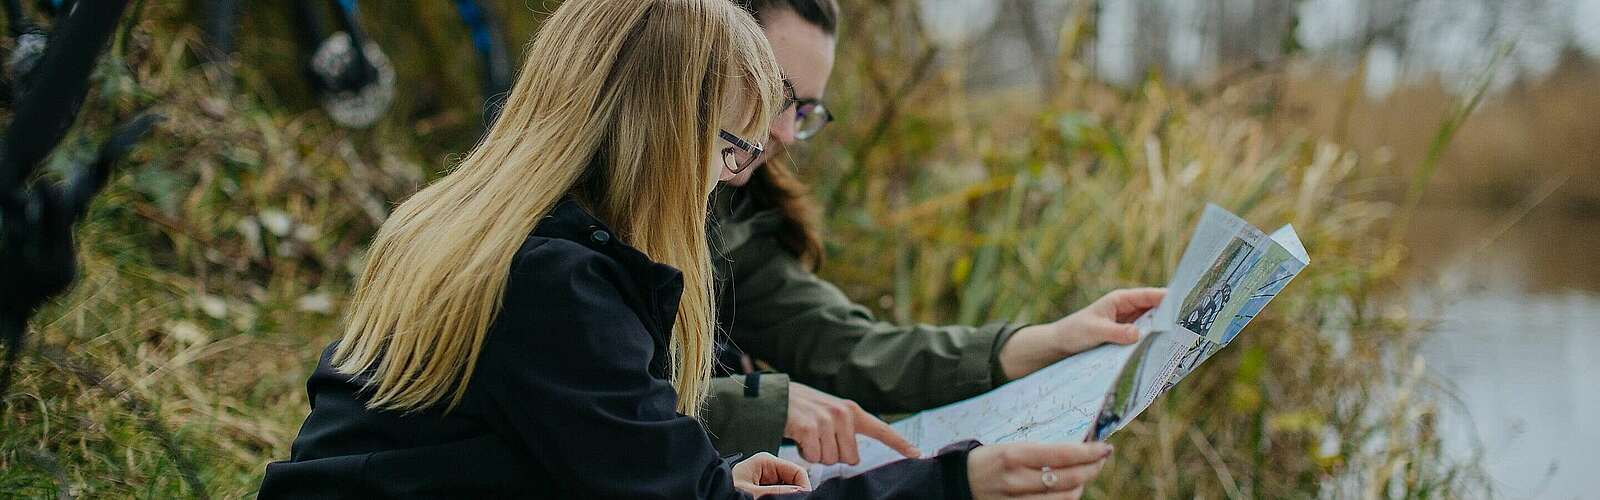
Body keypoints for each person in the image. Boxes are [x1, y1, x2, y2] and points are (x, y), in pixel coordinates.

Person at [259, 0, 1112, 497]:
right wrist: (956, 484)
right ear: (667, 121)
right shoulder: (556, 281)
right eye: (733, 142)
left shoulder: (492, 226)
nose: (741, 168)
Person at [700, 0, 1166, 466]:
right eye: (772, 90)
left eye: (804, 110)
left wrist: (1045, 341)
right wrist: (757, 405)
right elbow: (631, 404)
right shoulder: (635, 203)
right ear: (699, 55)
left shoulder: (731, 215)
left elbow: (846, 346)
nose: (783, 131)